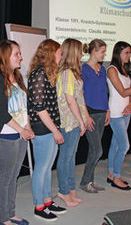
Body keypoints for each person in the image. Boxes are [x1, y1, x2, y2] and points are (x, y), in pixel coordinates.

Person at [0, 40, 35, 225]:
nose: (21, 57)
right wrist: (22, 129)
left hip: (21, 134)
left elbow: (25, 107)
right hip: (7, 135)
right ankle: (3, 219)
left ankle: (11, 213)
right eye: (17, 54)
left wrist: (27, 126)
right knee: (5, 177)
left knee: (13, 176)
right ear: (5, 56)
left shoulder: (19, 77)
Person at [27, 39, 67, 221]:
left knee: (47, 167)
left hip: (50, 126)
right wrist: (55, 131)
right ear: (51, 54)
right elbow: (39, 108)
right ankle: (39, 205)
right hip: (42, 128)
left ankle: (47, 200)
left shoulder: (48, 74)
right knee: (41, 168)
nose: (61, 56)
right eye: (59, 53)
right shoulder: (39, 75)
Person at [56, 38, 92, 207]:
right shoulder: (66, 73)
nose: (82, 54)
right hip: (68, 122)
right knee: (66, 158)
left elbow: (80, 97)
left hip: (75, 122)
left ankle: (70, 190)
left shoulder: (74, 72)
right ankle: (63, 191)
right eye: (79, 51)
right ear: (73, 52)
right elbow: (70, 100)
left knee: (71, 157)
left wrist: (84, 118)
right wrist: (80, 120)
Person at [106, 41, 131, 190]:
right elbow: (123, 92)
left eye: (130, 53)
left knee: (116, 143)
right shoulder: (112, 70)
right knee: (125, 145)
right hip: (115, 113)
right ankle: (117, 177)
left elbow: (129, 94)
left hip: (126, 111)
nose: (129, 56)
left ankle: (111, 173)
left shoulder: (124, 70)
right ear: (118, 53)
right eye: (126, 52)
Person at [79, 39, 109, 193]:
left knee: (94, 150)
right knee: (98, 150)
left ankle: (90, 180)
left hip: (102, 112)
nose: (104, 54)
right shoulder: (83, 69)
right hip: (90, 113)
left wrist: (108, 110)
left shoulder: (102, 69)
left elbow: (104, 91)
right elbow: (80, 94)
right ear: (94, 51)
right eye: (102, 51)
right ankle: (85, 181)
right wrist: (85, 115)